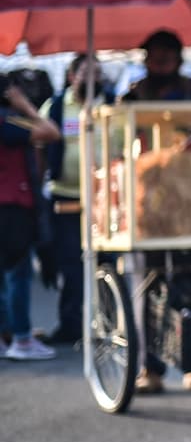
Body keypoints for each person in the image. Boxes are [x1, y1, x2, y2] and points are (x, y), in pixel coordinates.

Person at [119, 29, 191, 393]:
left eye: (166, 53)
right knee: (146, 286)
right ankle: (149, 369)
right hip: (146, 208)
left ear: (178, 56)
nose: (159, 60)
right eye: (153, 54)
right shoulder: (131, 96)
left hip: (189, 205)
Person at [38, 53, 111, 346]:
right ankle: (71, 325)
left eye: (98, 72)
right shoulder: (56, 106)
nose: (93, 78)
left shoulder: (112, 105)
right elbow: (39, 144)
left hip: (105, 200)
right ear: (72, 76)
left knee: (106, 264)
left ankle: (108, 323)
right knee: (71, 265)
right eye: (85, 72)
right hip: (65, 197)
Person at [0, 73, 61, 361]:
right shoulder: (8, 122)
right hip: (13, 206)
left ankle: (8, 335)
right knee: (17, 275)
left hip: (11, 204)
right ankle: (21, 338)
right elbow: (51, 131)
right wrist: (25, 106)